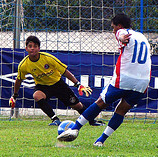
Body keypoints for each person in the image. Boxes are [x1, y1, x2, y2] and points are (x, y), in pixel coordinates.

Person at [57, 13, 151, 146]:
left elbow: (121, 35)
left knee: (101, 102)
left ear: (118, 26)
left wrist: (122, 37)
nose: (113, 31)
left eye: (113, 28)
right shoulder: (142, 37)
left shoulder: (123, 32)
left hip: (125, 78)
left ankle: (74, 129)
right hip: (143, 82)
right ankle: (100, 141)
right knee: (121, 110)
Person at [9, 35, 104, 126]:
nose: (32, 48)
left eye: (35, 46)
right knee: (37, 95)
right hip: (42, 86)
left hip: (58, 84)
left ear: (39, 48)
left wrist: (78, 84)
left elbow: (65, 71)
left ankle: (92, 120)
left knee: (77, 105)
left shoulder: (48, 58)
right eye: (30, 46)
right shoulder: (23, 65)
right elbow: (19, 80)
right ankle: (55, 120)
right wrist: (14, 95)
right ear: (26, 49)